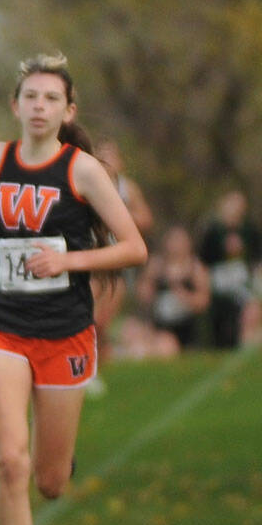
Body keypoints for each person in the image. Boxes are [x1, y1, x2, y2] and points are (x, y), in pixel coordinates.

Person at [0, 53, 146, 525]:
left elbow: (134, 247)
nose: (39, 107)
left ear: (68, 111)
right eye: (30, 97)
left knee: (49, 481)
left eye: (50, 99)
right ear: (15, 105)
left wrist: (70, 258)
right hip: (1, 325)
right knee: (11, 460)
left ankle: (58, 462)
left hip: (64, 332)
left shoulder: (84, 171)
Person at [90, 139, 156, 373]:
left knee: (103, 321)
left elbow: (146, 219)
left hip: (117, 261)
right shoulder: (86, 184)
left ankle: (103, 366)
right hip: (90, 260)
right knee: (88, 317)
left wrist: (117, 212)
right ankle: (88, 368)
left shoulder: (128, 189)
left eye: (111, 156)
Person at [196, 190, 261, 349]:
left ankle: (247, 342)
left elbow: (257, 259)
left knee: (250, 307)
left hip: (243, 281)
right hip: (219, 282)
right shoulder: (212, 232)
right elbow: (203, 262)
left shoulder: (250, 230)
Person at [134, 225, 210, 352]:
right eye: (173, 241)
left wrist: (184, 296)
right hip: (160, 326)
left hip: (186, 327)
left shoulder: (195, 268)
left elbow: (204, 301)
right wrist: (149, 285)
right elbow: (142, 294)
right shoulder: (156, 266)